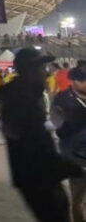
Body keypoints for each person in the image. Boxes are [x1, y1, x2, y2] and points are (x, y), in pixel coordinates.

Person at [0, 47, 82, 221]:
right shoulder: (21, 98)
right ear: (30, 70)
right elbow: (30, 142)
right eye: (41, 68)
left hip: (40, 175)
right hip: (37, 177)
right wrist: (66, 166)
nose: (45, 73)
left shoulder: (26, 94)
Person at [51, 66, 86, 222]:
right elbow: (57, 124)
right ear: (72, 81)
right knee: (78, 197)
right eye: (82, 80)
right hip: (75, 154)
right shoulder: (62, 98)